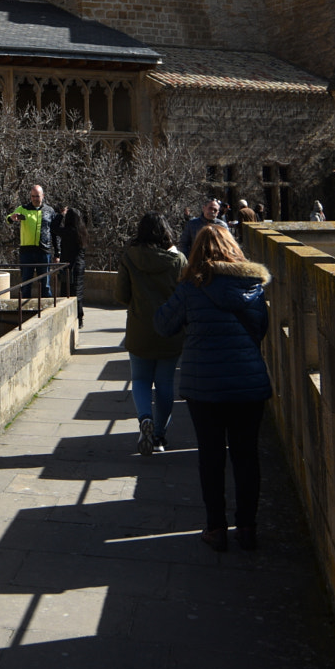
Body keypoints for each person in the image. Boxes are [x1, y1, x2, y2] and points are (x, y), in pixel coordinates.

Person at [154, 225, 273, 552]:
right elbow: (260, 329)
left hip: (204, 384)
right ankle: (247, 528)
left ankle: (216, 528)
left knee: (211, 455)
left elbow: (163, 325)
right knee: (246, 456)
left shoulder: (192, 288)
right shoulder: (253, 286)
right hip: (248, 381)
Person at [117, 213, 186, 455]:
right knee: (165, 383)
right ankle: (159, 435)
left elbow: (122, 295)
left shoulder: (129, 257)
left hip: (139, 329)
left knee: (140, 380)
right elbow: (186, 296)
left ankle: (145, 418)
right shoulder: (178, 261)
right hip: (170, 331)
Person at [4, 185, 56, 301]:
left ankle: (47, 308)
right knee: (26, 283)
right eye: (32, 196)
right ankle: (24, 310)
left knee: (45, 284)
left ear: (42, 196)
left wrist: (57, 253)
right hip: (27, 252)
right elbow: (8, 218)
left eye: (37, 196)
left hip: (44, 251)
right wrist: (12, 218)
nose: (34, 199)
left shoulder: (49, 210)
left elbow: (55, 231)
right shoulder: (23, 209)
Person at [56, 203, 89, 322]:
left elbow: (53, 228)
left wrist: (61, 215)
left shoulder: (67, 232)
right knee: (78, 292)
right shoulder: (82, 231)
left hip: (68, 266)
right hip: (79, 265)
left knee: (67, 292)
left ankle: (68, 317)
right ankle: (79, 317)